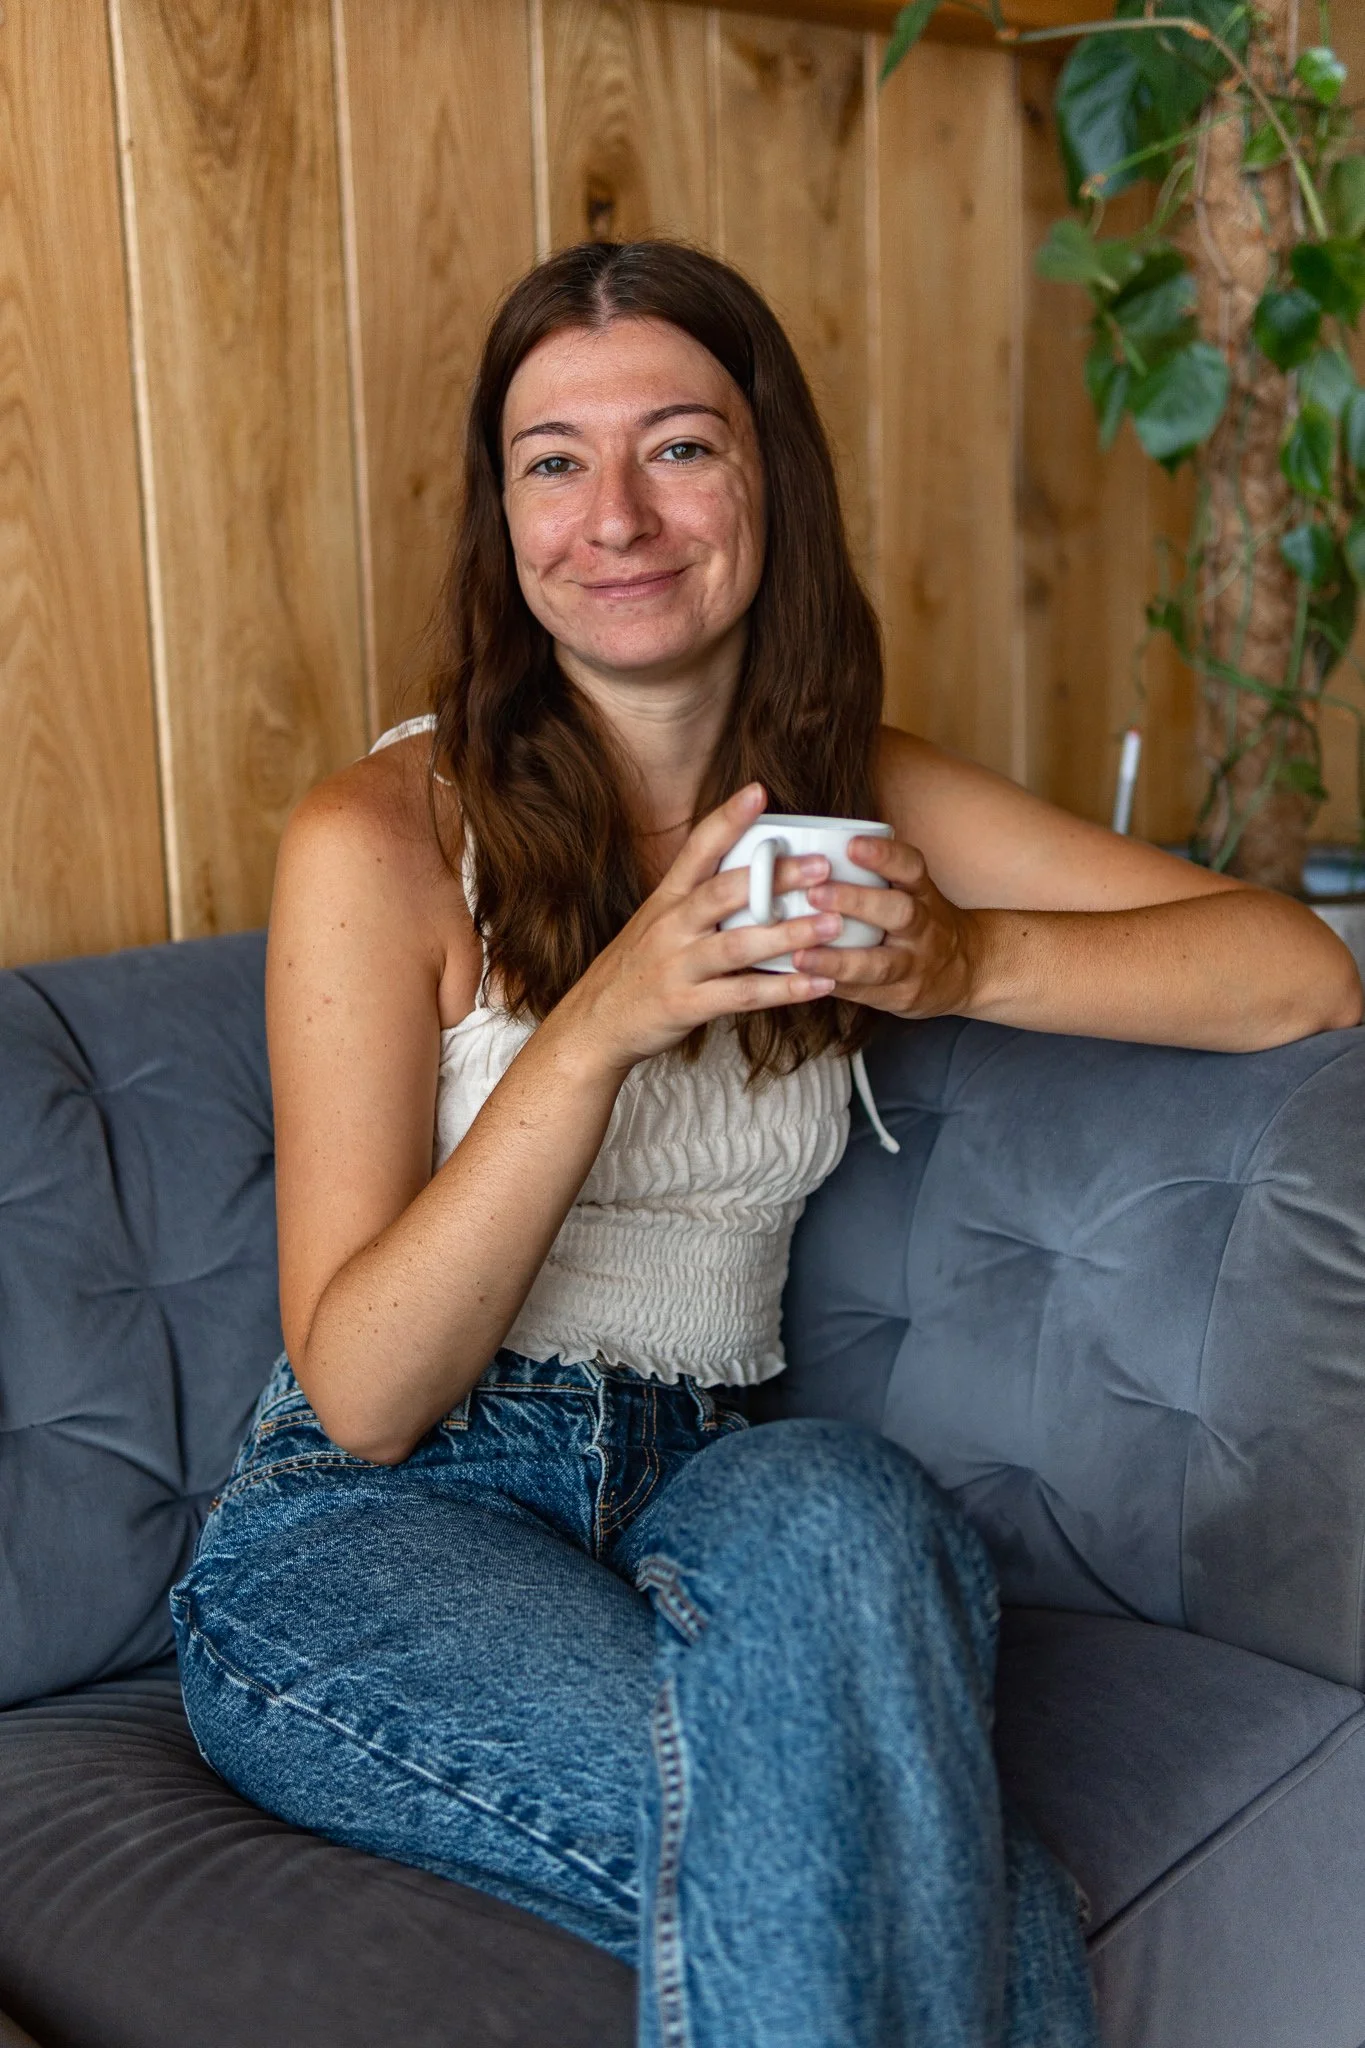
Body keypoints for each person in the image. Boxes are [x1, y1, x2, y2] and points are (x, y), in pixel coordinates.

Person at [170, 240, 1359, 2048]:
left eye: (681, 447)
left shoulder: (858, 798)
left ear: (766, 481)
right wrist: (606, 1023)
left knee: (856, 1508)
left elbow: (1296, 974)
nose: (617, 515)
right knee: (915, 1856)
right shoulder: (382, 838)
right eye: (552, 461)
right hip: (383, 1527)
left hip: (713, 1468)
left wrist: (965, 957)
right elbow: (366, 1393)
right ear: (502, 523)